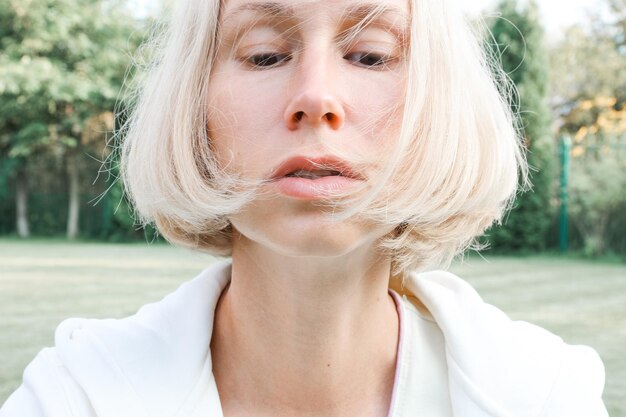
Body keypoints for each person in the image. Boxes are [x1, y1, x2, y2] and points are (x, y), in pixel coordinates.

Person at [1, 0, 609, 416]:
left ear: (437, 104)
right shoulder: (73, 397)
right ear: (195, 104)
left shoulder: (547, 394)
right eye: (264, 54)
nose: (316, 96)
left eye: (370, 55)